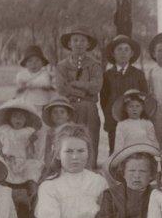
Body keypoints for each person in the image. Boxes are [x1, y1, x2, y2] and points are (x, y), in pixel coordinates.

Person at [55, 27, 103, 168]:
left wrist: (76, 84)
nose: (79, 44)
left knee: (91, 139)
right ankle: (68, 169)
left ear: (88, 44)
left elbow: (96, 87)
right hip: (69, 107)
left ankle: (90, 170)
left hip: (89, 107)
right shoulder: (62, 65)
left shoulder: (94, 65)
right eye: (75, 40)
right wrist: (84, 89)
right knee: (69, 139)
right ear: (69, 44)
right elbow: (61, 88)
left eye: (83, 40)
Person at [100, 34, 148, 154]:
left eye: (126, 50)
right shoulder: (107, 75)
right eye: (119, 49)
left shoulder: (138, 74)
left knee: (133, 149)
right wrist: (110, 115)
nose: (123, 53)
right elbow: (104, 99)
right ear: (113, 53)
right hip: (114, 120)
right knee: (115, 149)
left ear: (131, 53)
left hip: (134, 118)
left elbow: (144, 97)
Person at [40, 96, 76, 177]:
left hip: (70, 157)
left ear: (68, 116)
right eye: (55, 112)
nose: (58, 115)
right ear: (51, 116)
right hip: (55, 159)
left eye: (62, 112)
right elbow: (48, 150)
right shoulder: (50, 132)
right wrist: (48, 164)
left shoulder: (72, 129)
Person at [15, 45, 56, 113]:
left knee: (41, 119)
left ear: (42, 63)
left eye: (37, 61)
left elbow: (45, 82)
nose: (34, 64)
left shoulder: (44, 74)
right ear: (25, 64)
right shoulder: (22, 74)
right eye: (30, 61)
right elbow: (19, 81)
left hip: (42, 103)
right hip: (26, 103)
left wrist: (29, 84)